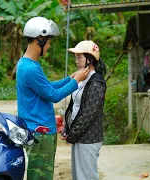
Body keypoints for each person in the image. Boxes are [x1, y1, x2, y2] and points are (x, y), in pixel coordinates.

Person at [16, 17, 90, 180]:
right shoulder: (30, 69)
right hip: (40, 133)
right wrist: (76, 82)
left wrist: (70, 78)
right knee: (41, 177)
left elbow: (46, 87)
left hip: (38, 131)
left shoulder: (27, 64)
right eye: (48, 42)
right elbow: (53, 95)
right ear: (39, 40)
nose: (49, 45)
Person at [62, 40, 107, 180]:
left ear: (90, 59)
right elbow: (74, 107)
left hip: (89, 138)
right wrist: (67, 128)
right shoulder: (81, 78)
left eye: (79, 57)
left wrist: (72, 135)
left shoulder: (96, 83)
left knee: (87, 176)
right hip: (79, 137)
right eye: (76, 57)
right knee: (78, 176)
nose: (76, 60)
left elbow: (88, 114)